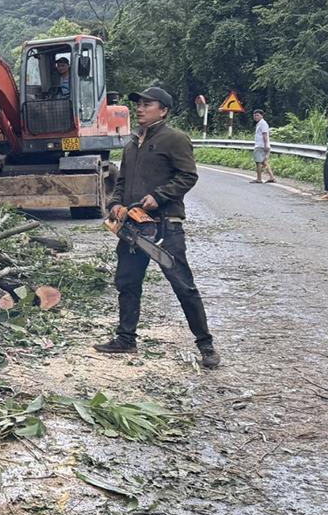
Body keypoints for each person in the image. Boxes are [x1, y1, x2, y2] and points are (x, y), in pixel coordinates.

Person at [95, 85, 221, 369]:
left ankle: (206, 345)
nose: (140, 109)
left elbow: (188, 176)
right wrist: (115, 204)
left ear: (163, 111)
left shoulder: (174, 139)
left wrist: (159, 196)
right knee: (127, 282)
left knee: (183, 285)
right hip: (132, 227)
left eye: (147, 105)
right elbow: (121, 183)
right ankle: (126, 338)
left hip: (165, 226)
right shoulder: (131, 145)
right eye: (139, 104)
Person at [250, 109, 274, 183]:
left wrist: (266, 145)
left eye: (257, 115)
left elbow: (265, 135)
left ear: (262, 116)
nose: (255, 117)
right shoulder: (260, 123)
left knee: (258, 162)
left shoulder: (263, 123)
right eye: (255, 115)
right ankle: (272, 177)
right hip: (262, 145)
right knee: (264, 162)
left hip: (261, 145)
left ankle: (259, 179)